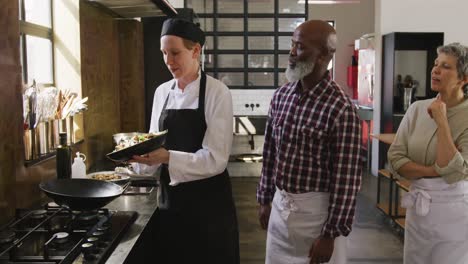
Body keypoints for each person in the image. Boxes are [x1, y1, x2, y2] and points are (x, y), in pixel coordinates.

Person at [131, 18, 239, 263]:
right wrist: (138, 159)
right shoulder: (162, 92)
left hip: (209, 208)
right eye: (164, 53)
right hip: (171, 204)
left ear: (196, 51)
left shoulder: (216, 92)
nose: (168, 61)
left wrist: (167, 157)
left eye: (175, 53)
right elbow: (153, 147)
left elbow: (216, 159)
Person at [257, 20, 363, 264]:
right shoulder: (281, 97)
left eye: (301, 47)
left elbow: (346, 180)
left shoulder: (341, 109)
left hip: (317, 219)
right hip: (280, 211)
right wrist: (264, 198)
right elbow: (270, 153)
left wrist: (331, 234)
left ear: (324, 55)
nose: (292, 53)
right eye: (292, 45)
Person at [387, 42, 468, 264]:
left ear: (464, 78)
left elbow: (456, 174)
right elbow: (395, 159)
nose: (435, 70)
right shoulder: (416, 109)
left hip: (455, 215)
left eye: (446, 66)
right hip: (418, 212)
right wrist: (436, 170)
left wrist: (442, 121)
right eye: (435, 64)